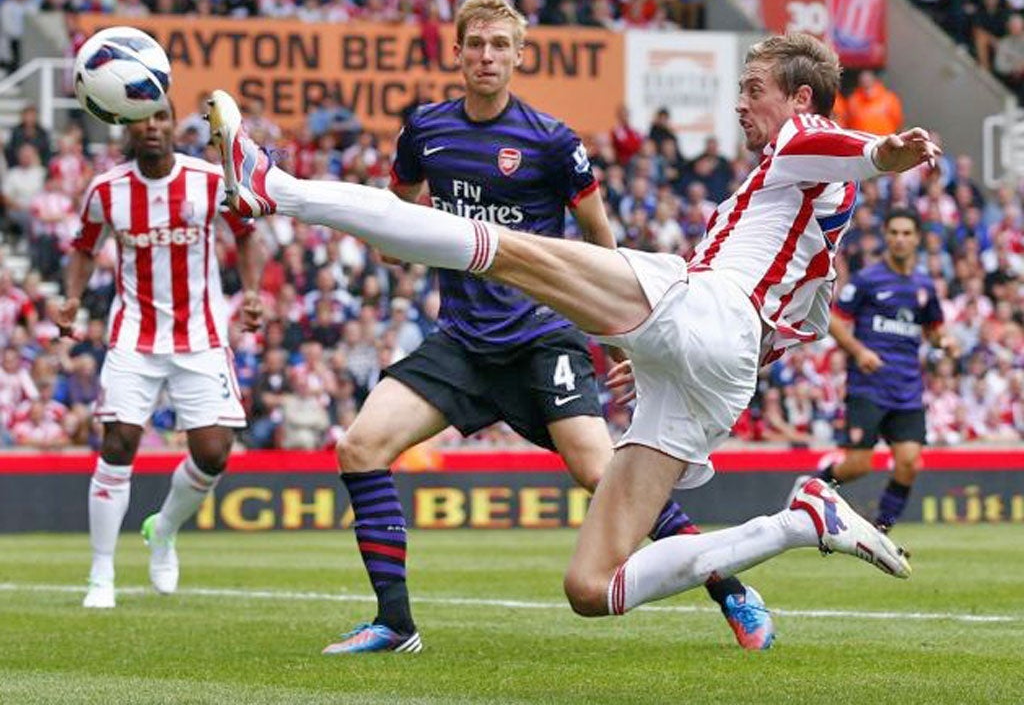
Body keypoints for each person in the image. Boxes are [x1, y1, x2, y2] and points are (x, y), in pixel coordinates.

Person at [208, 31, 928, 640]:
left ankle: (276, 188)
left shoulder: (805, 142)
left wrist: (885, 152)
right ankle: (800, 521)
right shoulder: (807, 201)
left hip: (709, 312)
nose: (741, 102)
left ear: (799, 97)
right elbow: (794, 316)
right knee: (591, 587)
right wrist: (657, 358)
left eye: (754, 87)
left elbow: (849, 146)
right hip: (719, 365)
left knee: (500, 247)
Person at [277, 0, 773, 653]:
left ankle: (731, 589)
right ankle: (395, 623)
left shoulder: (553, 142)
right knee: (359, 447)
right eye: (475, 44)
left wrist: (627, 332)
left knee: (605, 475)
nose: (486, 56)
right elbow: (394, 222)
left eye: (499, 46)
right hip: (461, 340)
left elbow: (601, 240)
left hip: (543, 338)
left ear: (518, 55)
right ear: (455, 52)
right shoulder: (425, 132)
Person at [59, 103, 265, 610]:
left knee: (214, 452)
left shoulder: (209, 179)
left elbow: (247, 234)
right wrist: (71, 298)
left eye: (160, 117)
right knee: (119, 441)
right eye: (141, 119)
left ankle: (164, 529)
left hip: (201, 335)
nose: (151, 127)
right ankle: (100, 574)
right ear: (126, 126)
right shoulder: (106, 189)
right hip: (134, 335)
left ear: (174, 125)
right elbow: (84, 247)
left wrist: (254, 292)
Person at [792, 209, 956, 531]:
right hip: (868, 386)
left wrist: (946, 342)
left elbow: (934, 329)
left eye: (906, 233)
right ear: (886, 237)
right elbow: (835, 321)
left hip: (907, 388)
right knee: (858, 465)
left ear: (917, 238)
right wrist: (859, 351)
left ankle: (881, 528)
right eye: (894, 232)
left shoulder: (924, 284)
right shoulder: (868, 279)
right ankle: (807, 489)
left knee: (909, 463)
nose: (899, 239)